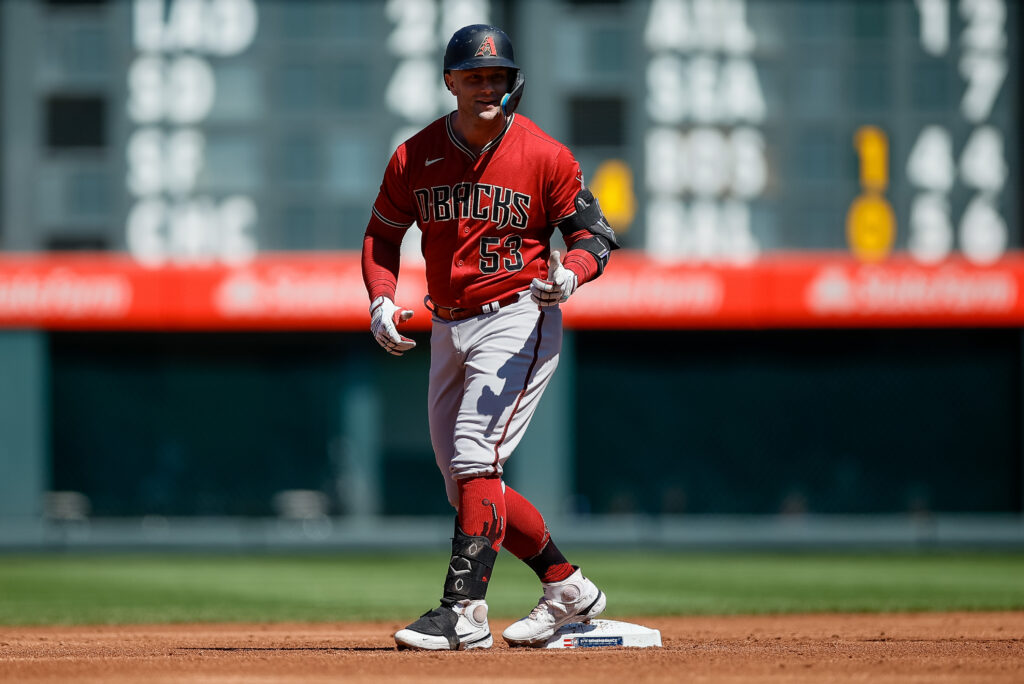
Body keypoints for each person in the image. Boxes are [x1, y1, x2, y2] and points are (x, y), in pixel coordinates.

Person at [360, 24, 619, 651]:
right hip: (447, 323)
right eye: (474, 76)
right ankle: (568, 588)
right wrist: (381, 299)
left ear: (513, 82)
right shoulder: (414, 155)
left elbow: (596, 236)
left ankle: (464, 613)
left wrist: (571, 272)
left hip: (519, 314)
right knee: (467, 484)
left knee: (476, 454)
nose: (487, 86)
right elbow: (382, 237)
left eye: (497, 75)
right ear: (449, 82)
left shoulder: (545, 155)